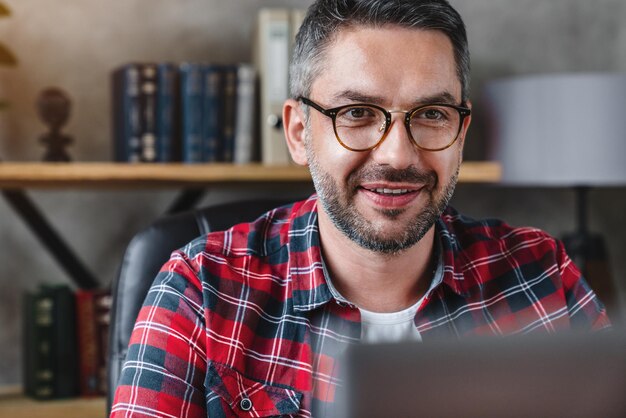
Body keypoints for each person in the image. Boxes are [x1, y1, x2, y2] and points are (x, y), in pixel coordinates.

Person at [110, 0, 611, 416]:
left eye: (433, 114)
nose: (397, 154)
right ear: (299, 132)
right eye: (357, 113)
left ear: (461, 131)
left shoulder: (542, 273)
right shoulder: (199, 289)